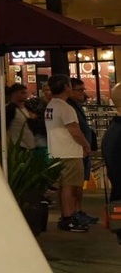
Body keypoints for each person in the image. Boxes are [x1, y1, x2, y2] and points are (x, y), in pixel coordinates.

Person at [44, 74, 91, 232]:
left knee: (63, 186)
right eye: (70, 85)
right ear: (66, 87)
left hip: (56, 151)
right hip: (69, 152)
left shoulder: (51, 105)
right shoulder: (65, 108)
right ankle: (69, 218)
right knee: (70, 187)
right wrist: (86, 145)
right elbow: (74, 131)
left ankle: (66, 216)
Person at [68, 78, 100, 226]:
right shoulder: (69, 106)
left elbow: (85, 97)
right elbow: (75, 130)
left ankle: (77, 210)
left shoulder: (75, 104)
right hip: (77, 149)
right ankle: (74, 211)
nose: (83, 93)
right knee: (74, 183)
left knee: (79, 182)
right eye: (79, 90)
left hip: (82, 149)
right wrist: (85, 145)